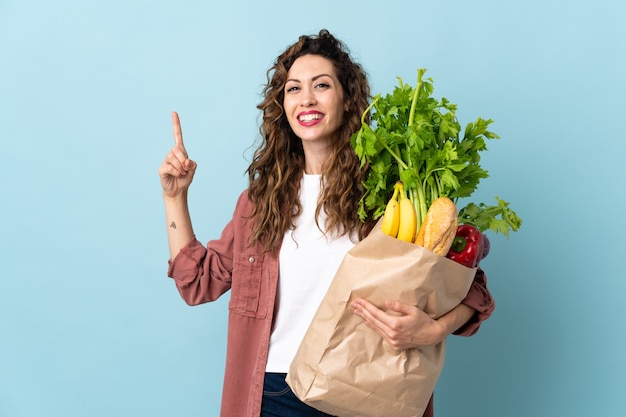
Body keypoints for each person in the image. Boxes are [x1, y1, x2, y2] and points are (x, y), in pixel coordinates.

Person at [158, 29, 495, 417]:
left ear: (347, 99)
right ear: (281, 105)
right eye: (293, 89)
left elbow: (473, 289)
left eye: (321, 85)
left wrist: (433, 330)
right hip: (272, 394)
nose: (307, 99)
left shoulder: (389, 195)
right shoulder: (259, 202)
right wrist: (175, 197)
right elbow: (198, 280)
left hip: (365, 387)